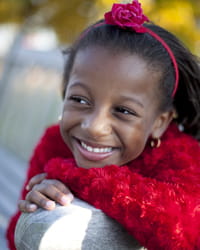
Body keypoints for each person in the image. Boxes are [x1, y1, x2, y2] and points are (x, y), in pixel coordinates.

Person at [6, 0, 200, 249]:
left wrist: (76, 176)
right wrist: (35, 210)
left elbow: (187, 227)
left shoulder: (183, 156)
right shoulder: (54, 142)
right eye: (79, 99)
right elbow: (15, 239)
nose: (94, 126)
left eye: (123, 111)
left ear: (160, 123)